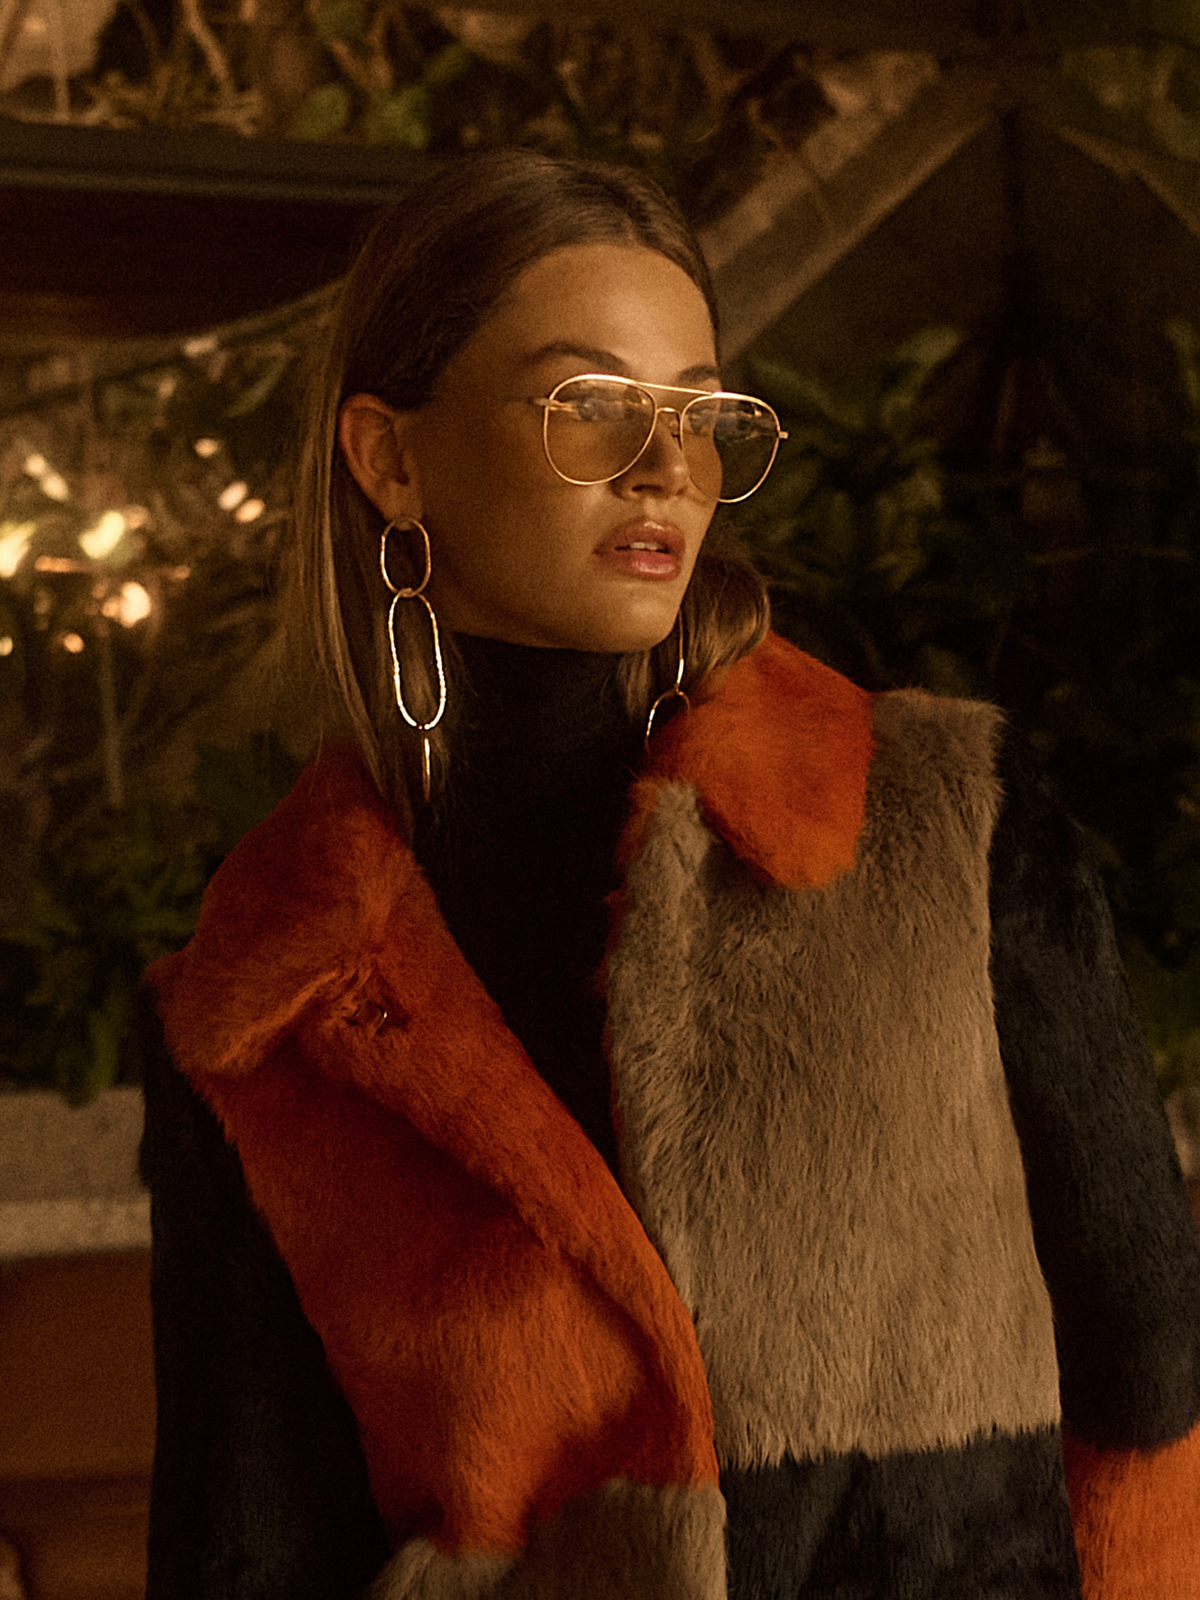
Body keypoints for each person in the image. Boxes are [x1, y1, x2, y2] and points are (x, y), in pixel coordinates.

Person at [139, 149, 1200, 1600]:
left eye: (701, 412)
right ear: (390, 457)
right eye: (592, 404)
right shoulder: (267, 990)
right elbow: (244, 1530)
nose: (666, 466)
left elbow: (1152, 1374)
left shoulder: (944, 832)